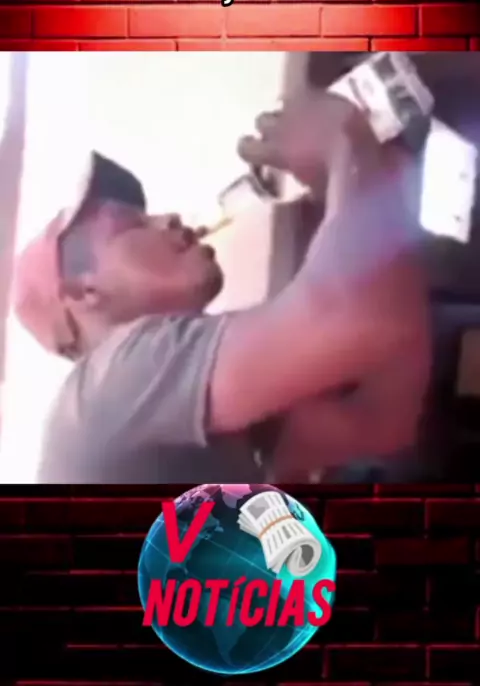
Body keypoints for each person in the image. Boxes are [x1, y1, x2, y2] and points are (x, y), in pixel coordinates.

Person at [12, 90, 431, 484]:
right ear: (83, 293)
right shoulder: (113, 382)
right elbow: (356, 316)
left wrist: (373, 191)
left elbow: (384, 419)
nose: (168, 218)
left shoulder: (175, 390)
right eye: (132, 224)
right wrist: (343, 136)